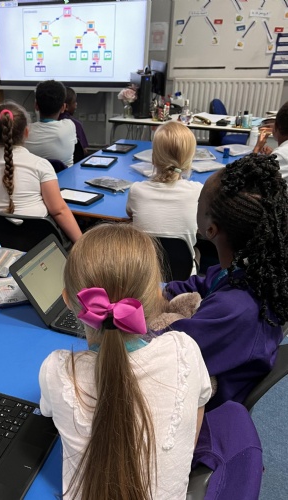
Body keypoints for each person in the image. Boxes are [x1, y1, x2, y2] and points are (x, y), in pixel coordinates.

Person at [39, 223, 211, 499]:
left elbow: (47, 412)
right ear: (157, 297)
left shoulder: (56, 371)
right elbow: (198, 412)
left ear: (68, 301)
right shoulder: (185, 351)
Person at [162, 154, 288, 410]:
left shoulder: (234, 310)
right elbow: (199, 284)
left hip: (205, 410)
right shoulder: (245, 270)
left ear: (210, 229)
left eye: (199, 202)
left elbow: (164, 351)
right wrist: (158, 291)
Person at [0, 102, 82, 244]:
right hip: (44, 242)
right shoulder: (40, 165)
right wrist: (81, 244)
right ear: (26, 133)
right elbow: (59, 211)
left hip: (3, 238)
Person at [126, 121, 202, 273]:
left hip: (144, 274)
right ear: (190, 160)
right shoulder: (198, 191)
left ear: (153, 158)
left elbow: (129, 214)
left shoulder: (136, 190)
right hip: (184, 277)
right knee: (198, 251)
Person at [25, 80, 77, 167]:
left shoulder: (24, 132)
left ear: (36, 105)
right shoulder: (70, 125)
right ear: (63, 107)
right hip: (64, 176)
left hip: (33, 176)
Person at [252, 101, 288, 179]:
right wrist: (270, 158)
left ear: (276, 126)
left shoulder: (281, 155)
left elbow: (252, 178)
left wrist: (256, 149)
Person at [59, 86, 89, 163]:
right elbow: (84, 151)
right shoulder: (76, 124)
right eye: (74, 102)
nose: (76, 104)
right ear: (66, 107)